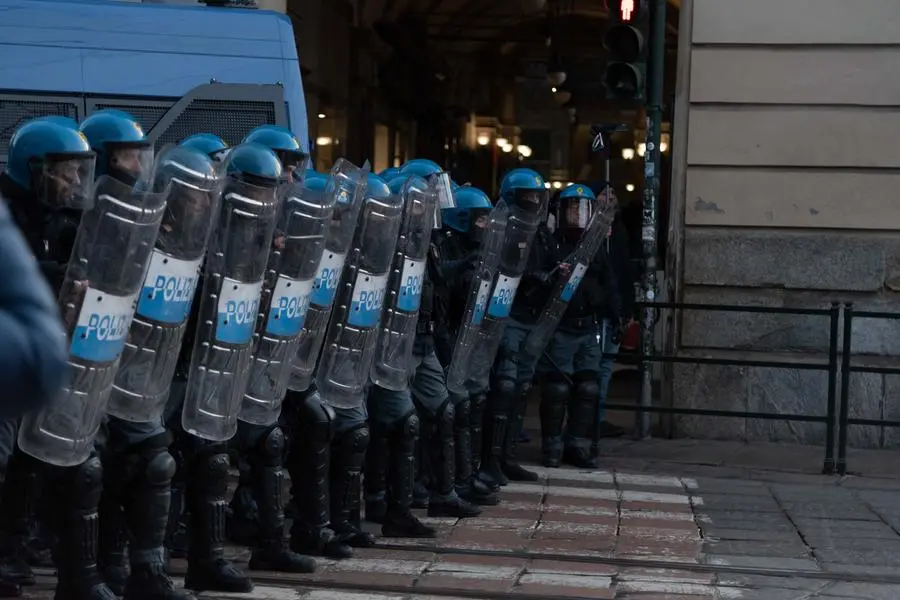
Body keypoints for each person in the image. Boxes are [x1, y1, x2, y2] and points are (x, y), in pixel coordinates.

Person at [74, 110, 195, 600]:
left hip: (131, 365)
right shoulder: (68, 220)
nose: (138, 168)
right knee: (87, 469)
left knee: (153, 460)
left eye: (139, 157)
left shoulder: (149, 220)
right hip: (78, 369)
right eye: (127, 157)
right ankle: (85, 577)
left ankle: (145, 572)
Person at [0, 118, 90, 598]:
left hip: (45, 360)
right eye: (67, 172)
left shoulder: (61, 218)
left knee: (29, 463)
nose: (75, 182)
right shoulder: (8, 215)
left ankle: (17, 546)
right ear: (35, 169)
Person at [364, 160, 480, 525]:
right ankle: (386, 502)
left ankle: (443, 494)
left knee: (443, 410)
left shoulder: (427, 242)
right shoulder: (388, 241)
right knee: (397, 423)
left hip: (424, 340)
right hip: (395, 344)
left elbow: (434, 287)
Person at [225, 125, 317, 574]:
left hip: (262, 353)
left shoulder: (279, 228)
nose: (288, 184)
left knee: (270, 442)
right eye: (279, 176)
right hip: (217, 364)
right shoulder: (218, 234)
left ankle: (271, 541)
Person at [476, 168, 550, 491]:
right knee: (503, 388)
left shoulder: (541, 232)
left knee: (520, 389)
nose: (534, 202)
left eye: (537, 196)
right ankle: (490, 461)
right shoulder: (501, 229)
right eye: (528, 196)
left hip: (528, 318)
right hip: (505, 317)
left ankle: (507, 456)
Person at [538, 183, 620, 468]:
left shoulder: (595, 246)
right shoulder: (551, 244)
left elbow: (609, 283)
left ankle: (578, 444)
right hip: (561, 326)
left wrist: (617, 314)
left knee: (588, 388)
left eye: (583, 209)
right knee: (556, 389)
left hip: (588, 326)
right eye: (572, 208)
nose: (578, 215)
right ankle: (552, 445)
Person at [432, 185, 499, 506]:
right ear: (463, 219)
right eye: (481, 220)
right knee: (454, 409)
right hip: (446, 338)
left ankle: (468, 475)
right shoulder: (445, 248)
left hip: (470, 339)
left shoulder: (474, 251)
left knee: (473, 404)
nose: (485, 226)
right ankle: (453, 481)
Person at [589, 181, 633, 443]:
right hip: (597, 306)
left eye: (613, 192)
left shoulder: (619, 231)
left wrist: (627, 308)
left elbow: (624, 271)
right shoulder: (592, 230)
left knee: (605, 366)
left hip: (613, 307)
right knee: (593, 365)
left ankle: (597, 416)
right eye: (604, 193)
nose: (610, 197)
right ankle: (588, 417)